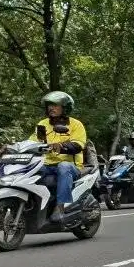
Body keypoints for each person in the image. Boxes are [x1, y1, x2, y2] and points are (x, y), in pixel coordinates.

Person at [30, 91, 86, 222]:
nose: (51, 108)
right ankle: (32, 205)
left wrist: (62, 147)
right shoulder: (43, 124)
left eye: (55, 105)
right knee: (28, 169)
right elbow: (33, 142)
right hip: (46, 165)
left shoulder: (75, 124)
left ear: (65, 107)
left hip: (72, 166)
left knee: (64, 166)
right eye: (49, 105)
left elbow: (79, 145)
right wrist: (13, 146)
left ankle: (60, 207)